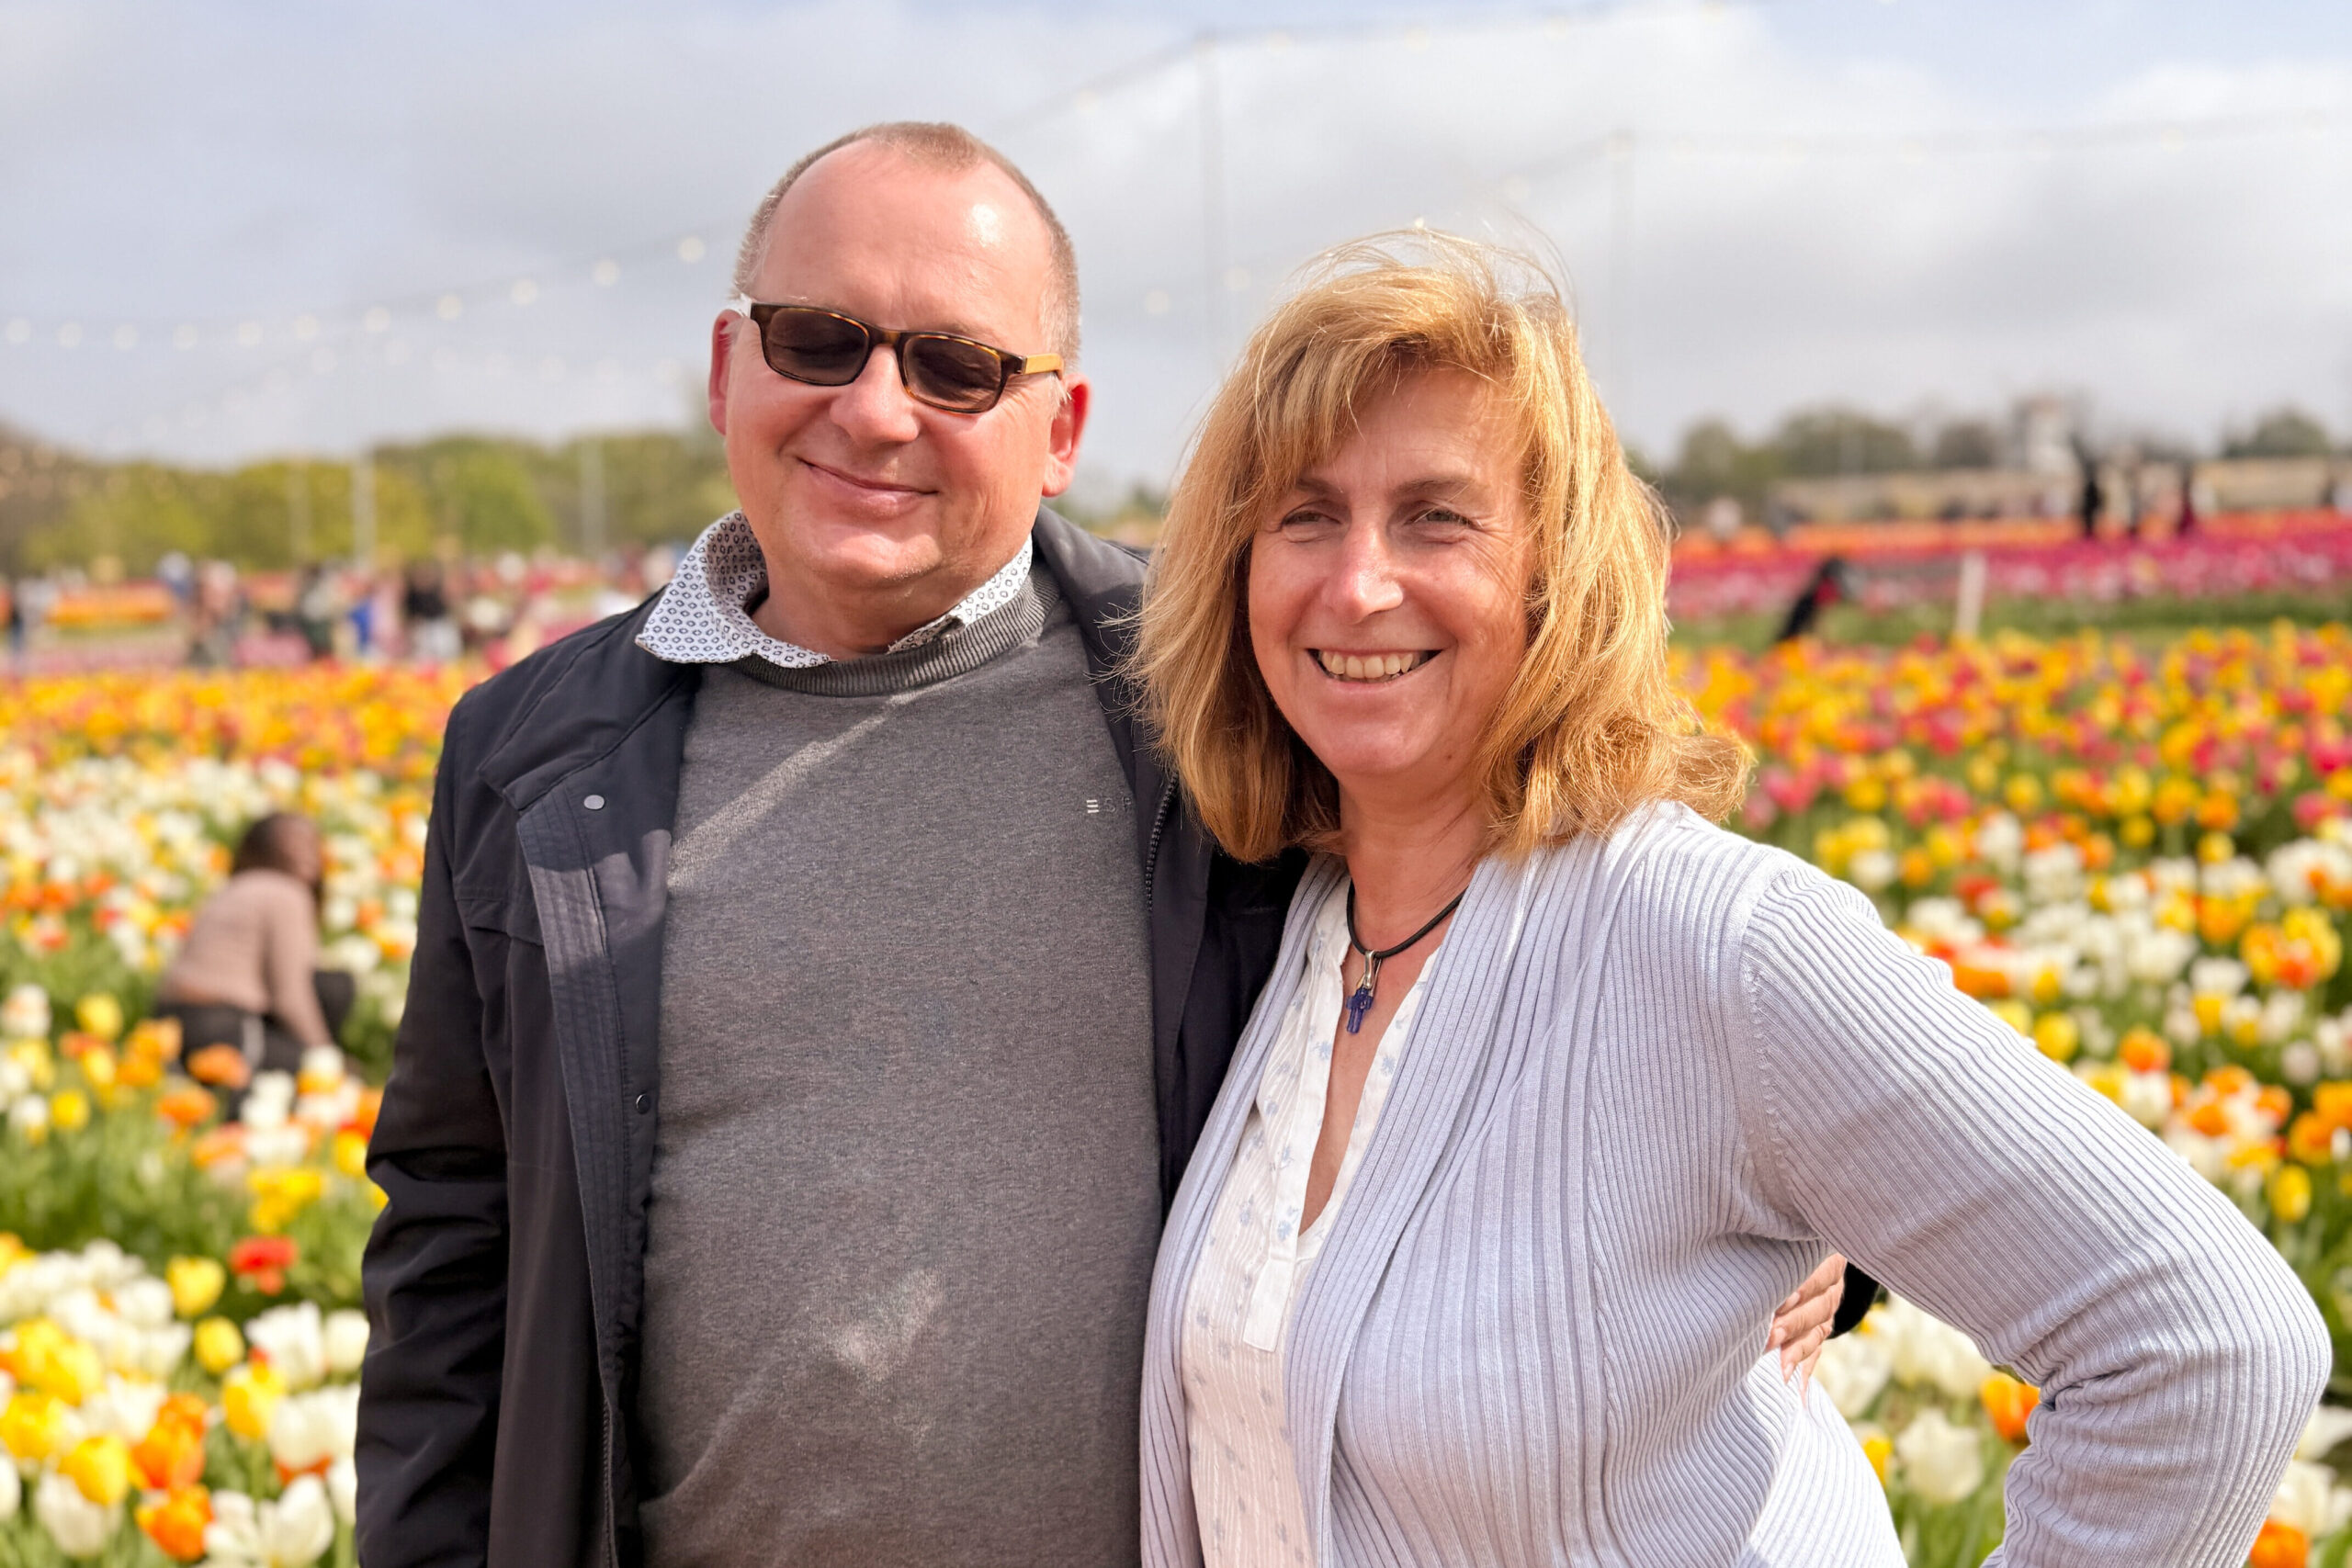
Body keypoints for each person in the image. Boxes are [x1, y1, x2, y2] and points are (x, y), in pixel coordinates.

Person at [355, 124, 1844, 1568]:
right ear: (727, 366)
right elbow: (453, 1237)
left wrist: (1798, 1208)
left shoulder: (1216, 687)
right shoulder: (535, 755)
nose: (875, 410)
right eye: (819, 339)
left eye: (955, 366)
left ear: (1060, 430)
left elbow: (1584, 867)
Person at [1129, 235, 2327, 1567]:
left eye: (1436, 516)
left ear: (1553, 573)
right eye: (1304, 515)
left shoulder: (1709, 939)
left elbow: (2208, 1345)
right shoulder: (1285, 927)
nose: (1358, 583)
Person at [155, 813, 352, 1091]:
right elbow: (290, 996)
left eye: (312, 842)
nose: (308, 851)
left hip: (168, 1025)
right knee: (320, 1080)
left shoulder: (237, 885)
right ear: (269, 846)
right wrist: (327, 1058)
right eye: (295, 841)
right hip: (223, 1024)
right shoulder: (287, 893)